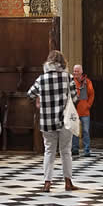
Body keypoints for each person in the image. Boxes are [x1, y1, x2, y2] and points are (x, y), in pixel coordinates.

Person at [28, 50, 76, 193]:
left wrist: (39, 98)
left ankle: (47, 183)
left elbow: (30, 94)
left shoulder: (41, 79)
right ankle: (68, 182)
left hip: (47, 121)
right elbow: (75, 98)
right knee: (66, 151)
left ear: (48, 63)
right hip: (65, 121)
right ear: (63, 62)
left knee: (49, 151)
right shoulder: (68, 77)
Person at [71, 64, 95, 157]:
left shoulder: (87, 82)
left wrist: (88, 105)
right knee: (74, 131)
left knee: (86, 131)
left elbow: (92, 94)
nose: (75, 73)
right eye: (74, 71)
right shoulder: (71, 81)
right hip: (74, 111)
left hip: (85, 111)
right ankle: (75, 149)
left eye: (77, 71)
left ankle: (87, 150)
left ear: (81, 71)